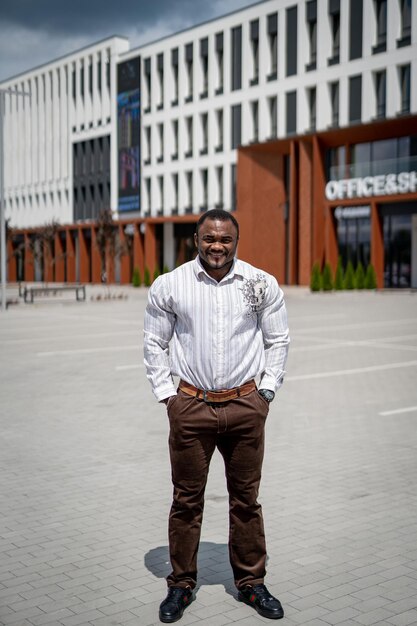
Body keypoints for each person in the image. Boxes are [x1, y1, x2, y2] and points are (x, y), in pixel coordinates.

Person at [144, 209, 290, 623]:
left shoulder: (260, 283)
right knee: (186, 501)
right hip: (191, 408)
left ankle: (251, 583)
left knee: (246, 500)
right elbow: (154, 343)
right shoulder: (171, 285)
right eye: (209, 239)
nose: (217, 247)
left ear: (236, 240)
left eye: (225, 240)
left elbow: (278, 339)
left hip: (246, 408)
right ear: (196, 238)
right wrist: (168, 398)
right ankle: (181, 584)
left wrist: (266, 391)